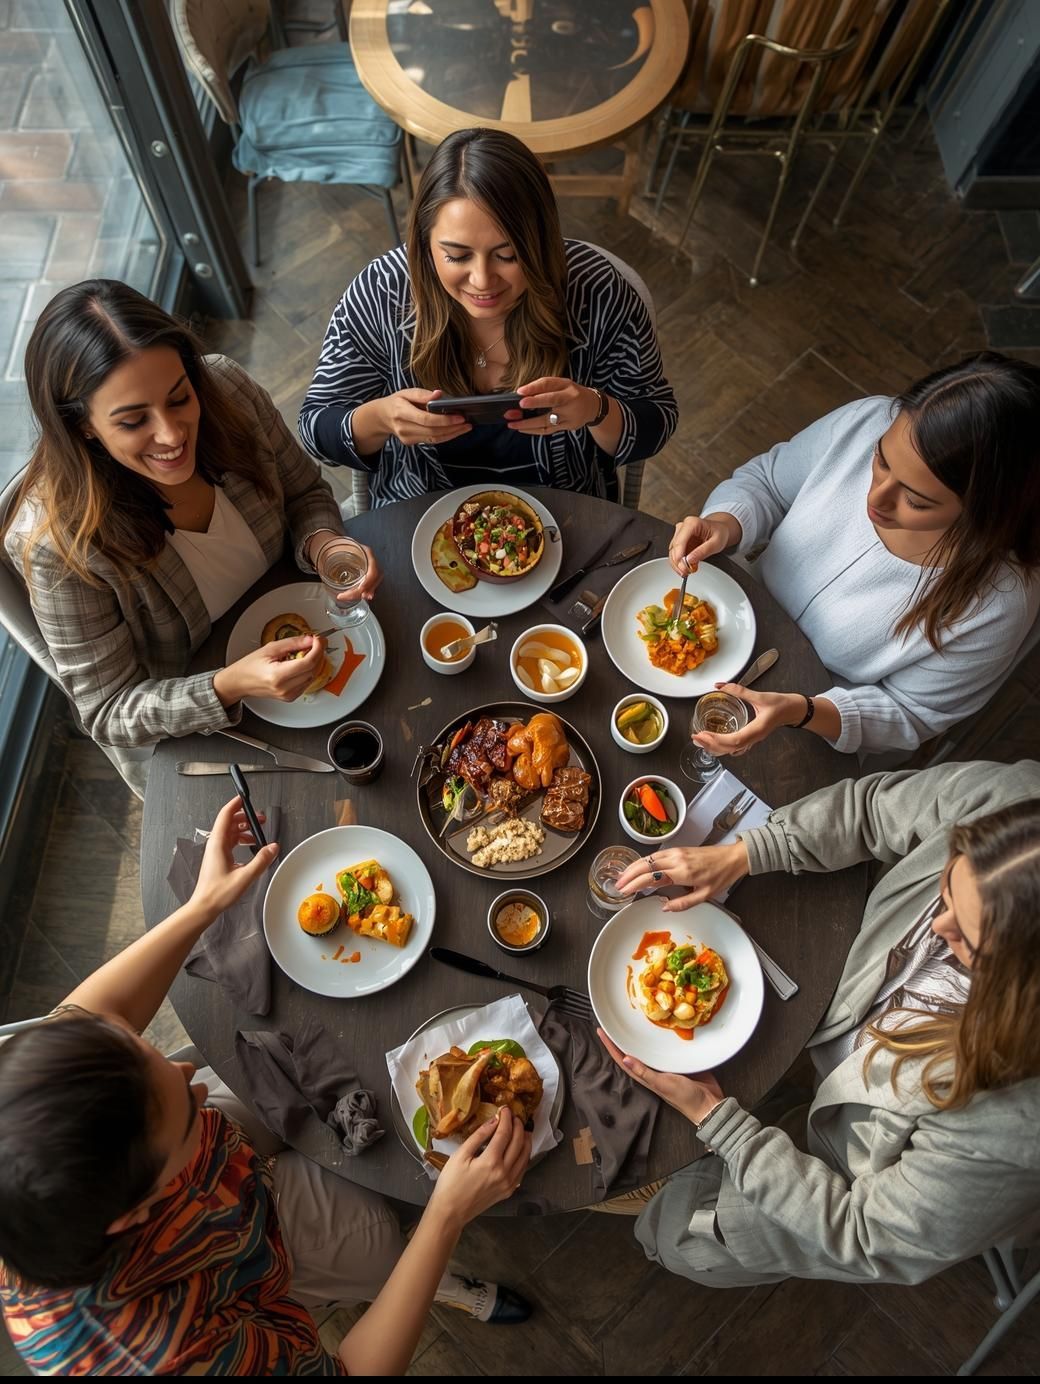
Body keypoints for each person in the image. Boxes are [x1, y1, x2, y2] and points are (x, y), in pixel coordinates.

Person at [0, 797, 532, 1376]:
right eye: (183, 1112)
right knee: (380, 1240)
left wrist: (204, 906)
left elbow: (93, 1012)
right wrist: (447, 1217)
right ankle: (420, 1283)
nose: (193, 1078)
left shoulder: (22, 1099)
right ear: (133, 1216)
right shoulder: (164, 1355)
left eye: (145, 1050)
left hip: (220, 1167)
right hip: (245, 1254)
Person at [606, 759, 1040, 1287]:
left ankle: (671, 1215)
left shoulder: (1012, 1130)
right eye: (946, 889)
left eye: (965, 941)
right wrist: (744, 853)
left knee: (672, 1236)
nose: (936, 924)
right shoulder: (1018, 805)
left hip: (844, 1180)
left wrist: (719, 1120)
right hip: (822, 1028)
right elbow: (871, 809)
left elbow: (866, 1236)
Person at [1, 280, 382, 797]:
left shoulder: (227, 390)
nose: (172, 434)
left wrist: (324, 545)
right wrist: (229, 685)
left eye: (179, 397)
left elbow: (305, 493)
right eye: (134, 420)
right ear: (83, 427)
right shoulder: (59, 545)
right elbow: (110, 710)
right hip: (217, 724)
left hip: (323, 638)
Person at [667, 354, 1040, 760]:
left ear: (985, 508)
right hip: (723, 627)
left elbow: (911, 714)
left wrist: (802, 710)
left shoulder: (1001, 600)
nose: (875, 497)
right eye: (880, 461)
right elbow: (768, 483)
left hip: (805, 724)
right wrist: (726, 522)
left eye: (915, 500)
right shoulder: (866, 421)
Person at [298, 126, 677, 505]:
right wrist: (380, 418)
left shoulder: (597, 291)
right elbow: (316, 430)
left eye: (508, 255)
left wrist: (597, 409)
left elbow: (656, 421)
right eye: (457, 256)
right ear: (424, 244)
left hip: (567, 510)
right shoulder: (382, 292)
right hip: (416, 510)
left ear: (542, 242)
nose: (482, 281)